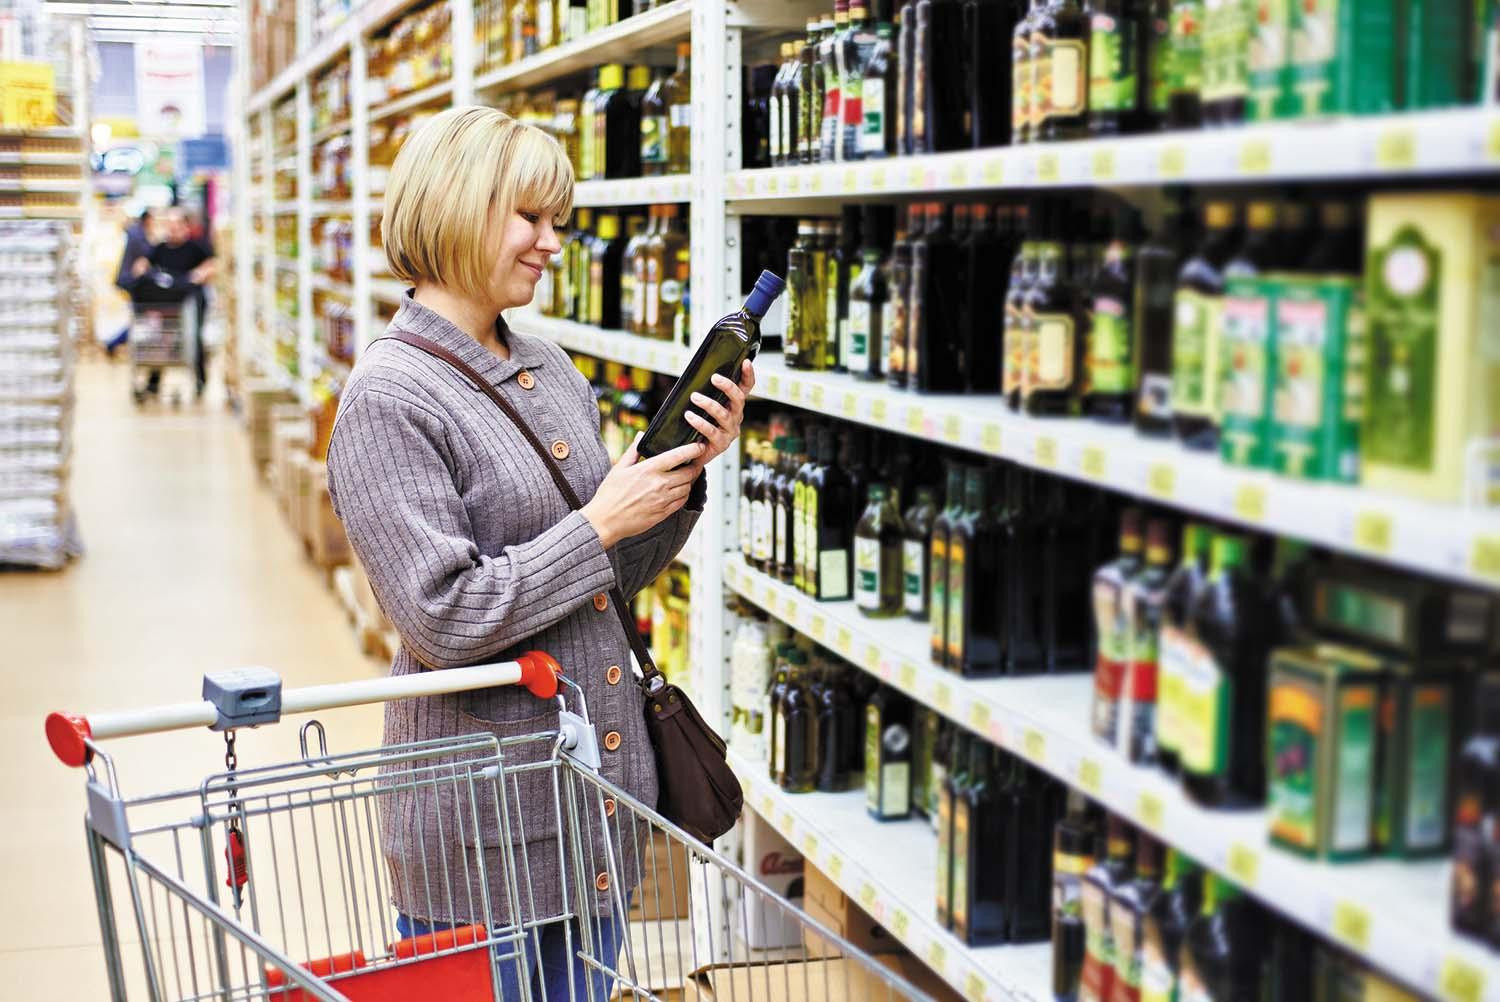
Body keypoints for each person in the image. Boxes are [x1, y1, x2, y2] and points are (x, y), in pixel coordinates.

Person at [324, 106, 754, 997]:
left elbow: (603, 580)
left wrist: (677, 481)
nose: (552, 242)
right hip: (481, 830)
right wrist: (600, 520)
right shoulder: (390, 398)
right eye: (531, 218)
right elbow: (444, 617)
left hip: (593, 805)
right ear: (456, 207)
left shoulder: (552, 369)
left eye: (559, 221)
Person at [131, 207, 215, 397]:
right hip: (167, 302)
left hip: (191, 300)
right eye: (170, 225)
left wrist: (200, 274)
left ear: (186, 226)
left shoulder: (196, 246)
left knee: (193, 337)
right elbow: (143, 263)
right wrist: (141, 268)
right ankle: (154, 381)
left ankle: (200, 379)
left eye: (177, 225)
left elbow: (212, 264)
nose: (173, 229)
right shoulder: (159, 248)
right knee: (161, 337)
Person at [107, 206, 153, 356]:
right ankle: (113, 343)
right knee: (139, 317)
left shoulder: (136, 232)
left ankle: (115, 343)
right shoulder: (138, 235)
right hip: (131, 281)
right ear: (147, 219)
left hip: (129, 280)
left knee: (139, 317)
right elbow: (147, 253)